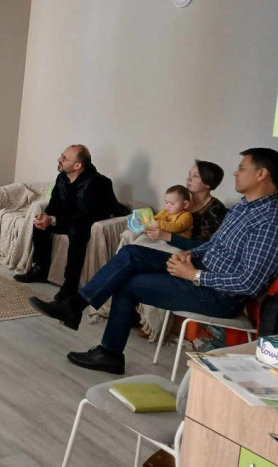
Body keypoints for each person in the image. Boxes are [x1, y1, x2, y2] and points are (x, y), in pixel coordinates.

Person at [29, 148, 278, 374]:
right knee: (131, 253)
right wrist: (190, 255)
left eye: (242, 168)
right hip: (200, 268)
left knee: (128, 285)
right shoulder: (243, 208)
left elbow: (249, 283)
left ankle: (109, 352)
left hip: (217, 294)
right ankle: (76, 306)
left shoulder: (269, 221)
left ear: (262, 174)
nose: (236, 172)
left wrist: (193, 275)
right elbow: (213, 245)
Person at [14, 144, 127, 300]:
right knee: (40, 226)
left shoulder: (99, 183)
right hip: (68, 220)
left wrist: (54, 220)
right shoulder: (61, 178)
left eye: (64, 158)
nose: (59, 159)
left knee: (77, 232)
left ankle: (70, 284)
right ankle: (40, 270)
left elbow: (86, 216)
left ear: (77, 165)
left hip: (89, 222)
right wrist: (46, 216)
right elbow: (54, 205)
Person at [144, 160, 227, 250]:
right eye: (189, 174)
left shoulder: (216, 209)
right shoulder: (180, 200)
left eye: (195, 176)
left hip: (186, 252)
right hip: (164, 242)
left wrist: (166, 236)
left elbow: (207, 246)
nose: (188, 178)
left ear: (208, 184)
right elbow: (164, 216)